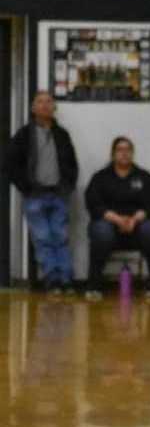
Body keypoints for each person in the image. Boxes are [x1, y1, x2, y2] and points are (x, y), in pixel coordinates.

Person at [3, 90, 78, 294]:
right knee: (43, 239)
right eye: (40, 102)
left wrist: (68, 184)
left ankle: (66, 279)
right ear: (33, 108)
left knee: (60, 237)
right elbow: (9, 163)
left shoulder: (62, 135)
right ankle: (52, 280)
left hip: (58, 194)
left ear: (54, 108)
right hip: (35, 196)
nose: (45, 105)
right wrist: (25, 186)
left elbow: (72, 163)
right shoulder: (24, 134)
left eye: (49, 102)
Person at [83, 136, 150, 302]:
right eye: (120, 150)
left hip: (136, 226)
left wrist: (134, 220)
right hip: (108, 224)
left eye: (128, 150)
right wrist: (117, 219)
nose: (124, 153)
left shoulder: (144, 177)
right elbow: (93, 204)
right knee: (101, 232)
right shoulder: (100, 177)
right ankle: (94, 287)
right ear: (113, 154)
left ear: (132, 153)